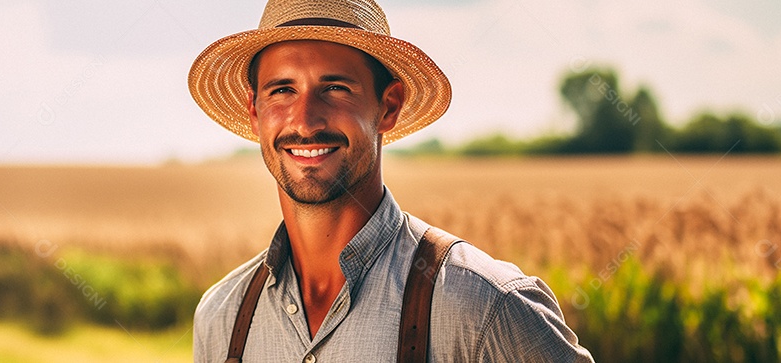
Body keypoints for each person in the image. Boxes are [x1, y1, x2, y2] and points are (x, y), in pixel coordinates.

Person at [187, 0, 593, 361]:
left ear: (389, 106)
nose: (305, 120)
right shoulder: (222, 316)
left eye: (335, 87)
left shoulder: (483, 306)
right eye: (282, 90)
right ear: (255, 113)